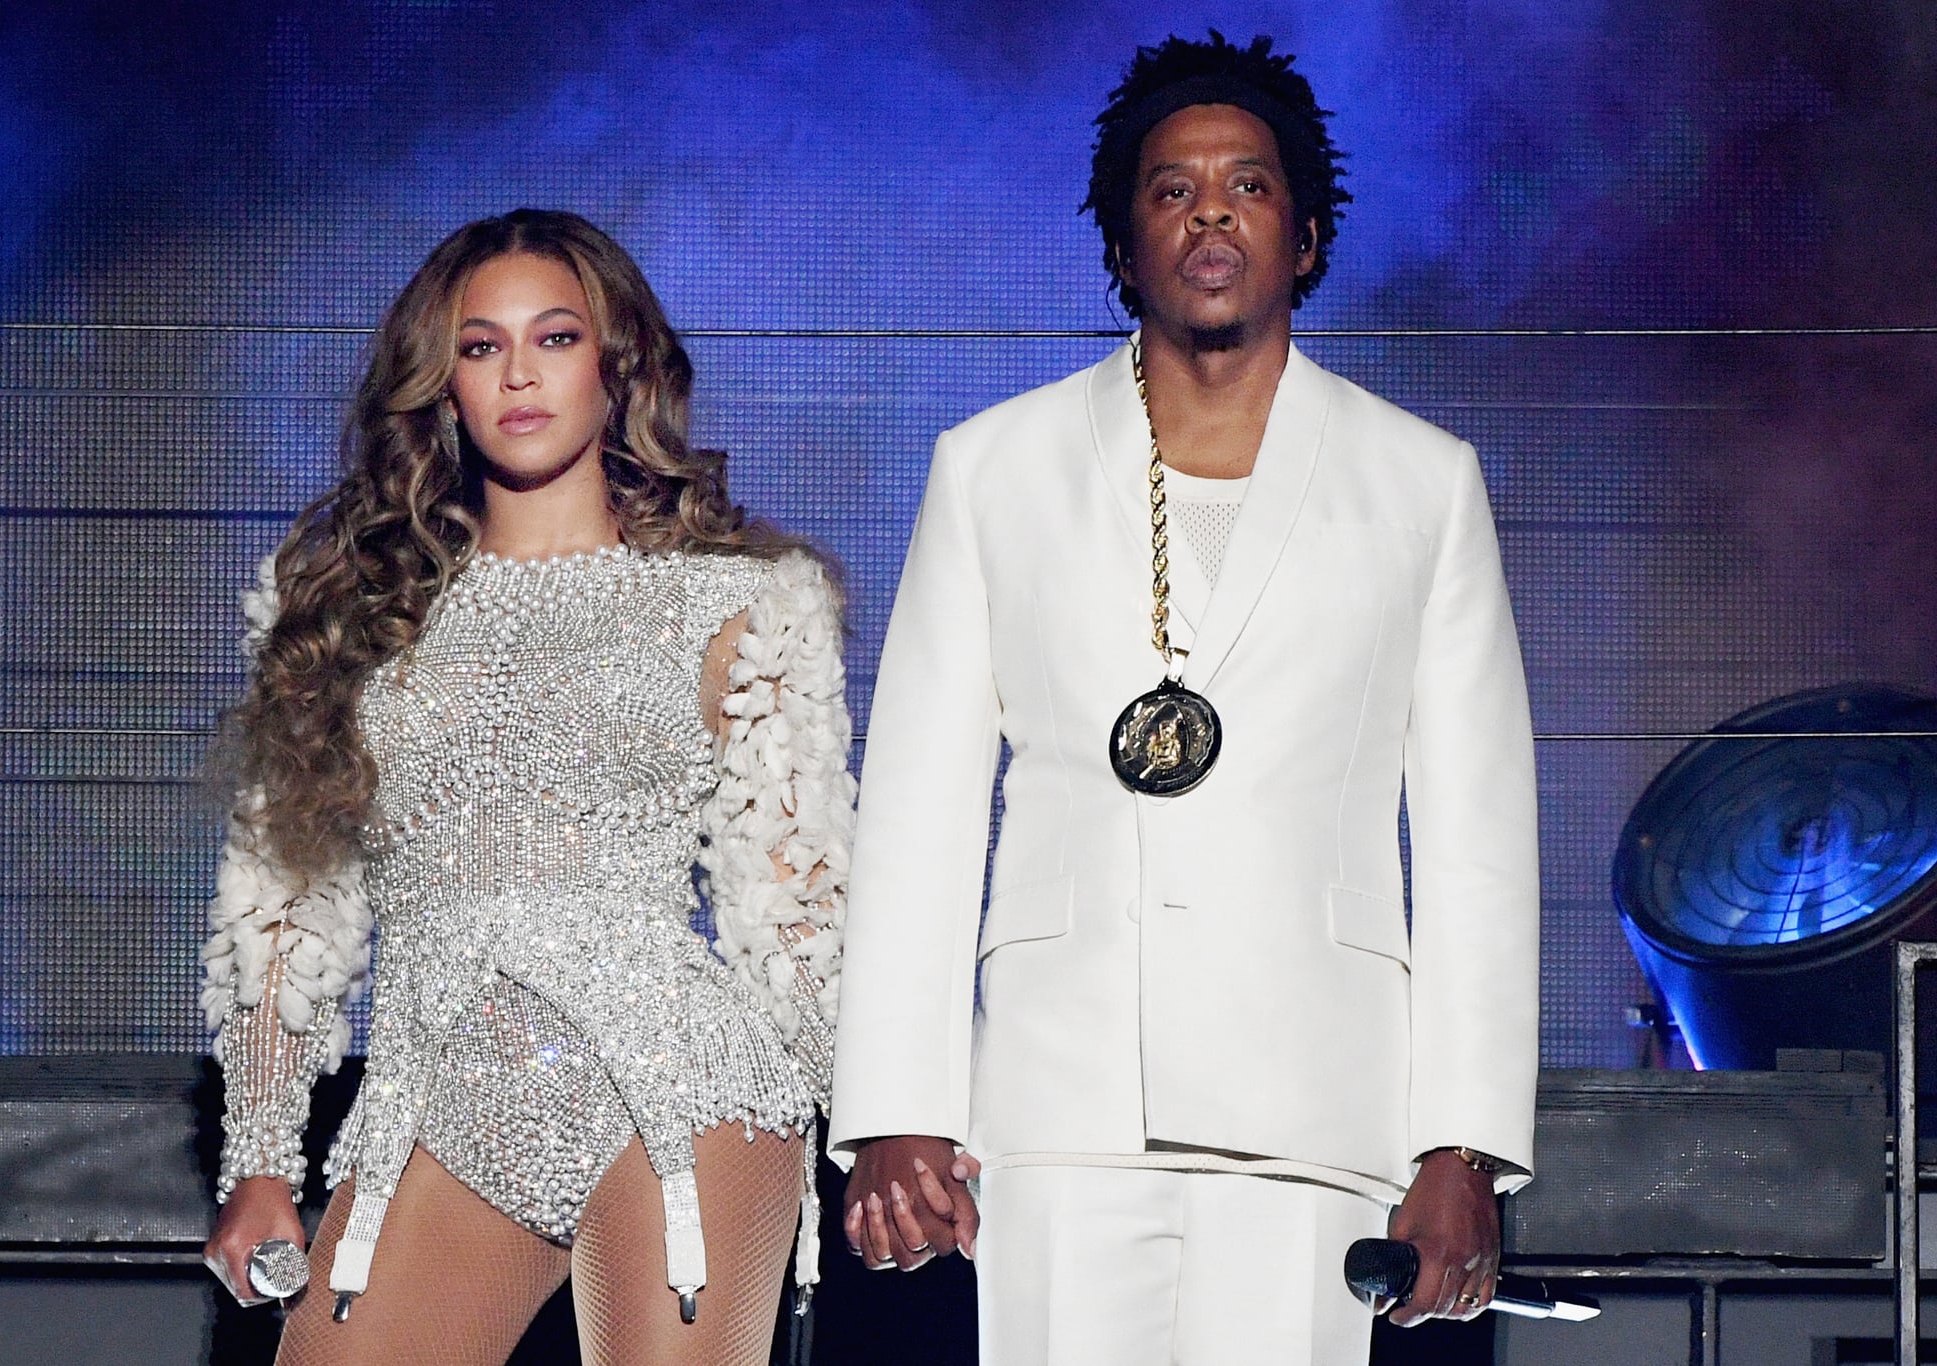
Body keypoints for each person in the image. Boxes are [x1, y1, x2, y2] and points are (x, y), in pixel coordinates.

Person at [829, 31, 1540, 1366]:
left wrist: (1463, 1145)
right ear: (1121, 242)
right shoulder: (992, 469)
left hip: (1314, 1103)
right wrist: (895, 1109)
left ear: (1309, 236)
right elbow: (917, 814)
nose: (1210, 209)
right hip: (1057, 1098)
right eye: (1170, 187)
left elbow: (1477, 842)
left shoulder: (1421, 482)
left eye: (1249, 184)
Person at [199, 208, 855, 1366]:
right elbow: (284, 907)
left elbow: (796, 907)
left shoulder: (744, 600)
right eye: (480, 345)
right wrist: (260, 1154)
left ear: (619, 367)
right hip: (440, 1088)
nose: (519, 375)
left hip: (683, 1078)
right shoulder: (338, 616)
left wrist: (873, 1134)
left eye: (554, 339)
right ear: (441, 382)